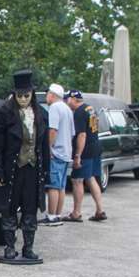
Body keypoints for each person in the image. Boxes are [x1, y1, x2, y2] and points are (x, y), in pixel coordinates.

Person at [0, 69, 49, 265]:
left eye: (27, 95)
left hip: (33, 168)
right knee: (8, 208)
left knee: (30, 209)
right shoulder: (3, 113)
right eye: (19, 95)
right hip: (11, 168)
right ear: (14, 94)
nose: (23, 99)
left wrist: (46, 170)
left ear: (32, 94)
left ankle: (29, 248)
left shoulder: (41, 113)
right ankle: (9, 248)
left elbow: (44, 146)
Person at [65, 90, 107, 221]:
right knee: (90, 178)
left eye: (67, 99)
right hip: (95, 146)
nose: (66, 102)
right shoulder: (90, 108)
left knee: (77, 180)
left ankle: (76, 213)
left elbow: (82, 135)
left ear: (73, 99)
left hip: (86, 150)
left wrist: (77, 155)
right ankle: (100, 210)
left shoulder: (79, 112)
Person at [44, 83, 73, 225]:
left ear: (53, 95)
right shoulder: (67, 109)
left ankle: (51, 216)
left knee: (53, 186)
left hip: (56, 152)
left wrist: (49, 148)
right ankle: (58, 214)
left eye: (48, 93)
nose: (46, 96)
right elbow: (72, 133)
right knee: (61, 186)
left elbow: (53, 130)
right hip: (67, 152)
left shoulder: (54, 108)